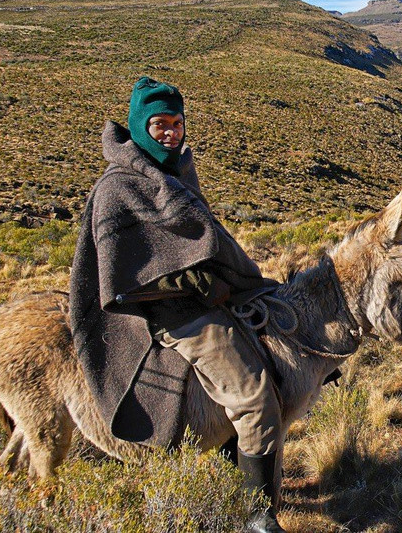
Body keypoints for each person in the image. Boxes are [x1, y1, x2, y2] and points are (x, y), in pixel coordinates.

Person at [69, 77, 285, 532]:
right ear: (140, 127)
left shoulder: (176, 171)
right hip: (172, 311)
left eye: (177, 123)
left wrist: (229, 276)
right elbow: (121, 275)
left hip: (205, 296)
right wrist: (200, 283)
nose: (170, 133)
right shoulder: (119, 187)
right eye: (160, 124)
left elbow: (200, 240)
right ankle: (258, 519)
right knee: (255, 398)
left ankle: (233, 488)